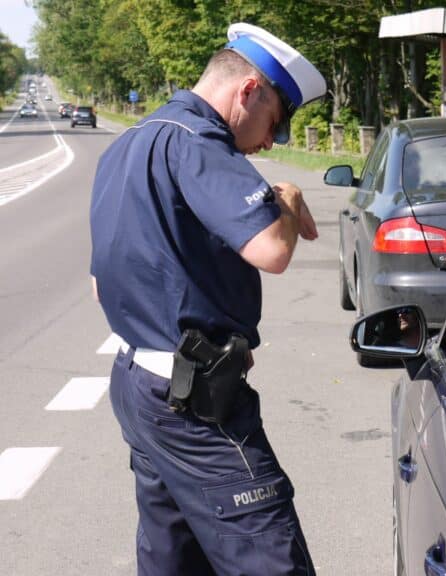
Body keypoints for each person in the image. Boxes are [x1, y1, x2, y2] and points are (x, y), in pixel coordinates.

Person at [89, 22, 326, 576]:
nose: (270, 142)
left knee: (173, 556)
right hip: (195, 405)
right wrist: (288, 198)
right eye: (275, 122)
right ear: (249, 91)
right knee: (271, 558)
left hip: (139, 387)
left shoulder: (127, 145)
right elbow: (272, 249)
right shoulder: (198, 142)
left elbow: (101, 281)